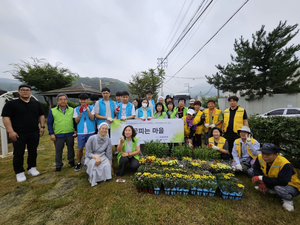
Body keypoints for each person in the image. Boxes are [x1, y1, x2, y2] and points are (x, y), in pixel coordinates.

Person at [1, 84, 45, 182]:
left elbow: (41, 115)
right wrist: (10, 131)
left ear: (30, 92)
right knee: (18, 153)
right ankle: (19, 172)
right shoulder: (11, 104)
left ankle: (31, 167)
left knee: (33, 151)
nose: (25, 91)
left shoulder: (36, 103)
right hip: (18, 133)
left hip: (34, 132)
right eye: (23, 90)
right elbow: (5, 117)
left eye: (27, 90)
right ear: (19, 91)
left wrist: (42, 126)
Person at [250, 143, 300, 212]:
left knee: (278, 188)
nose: (264, 156)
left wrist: (261, 178)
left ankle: (288, 200)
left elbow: (283, 181)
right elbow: (256, 168)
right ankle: (270, 189)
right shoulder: (260, 157)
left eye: (268, 154)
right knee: (251, 171)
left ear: (276, 155)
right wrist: (261, 182)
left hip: (291, 185)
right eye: (263, 153)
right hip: (272, 179)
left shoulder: (285, 164)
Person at [47, 93, 76, 173]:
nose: (63, 101)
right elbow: (49, 123)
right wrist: (51, 133)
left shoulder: (72, 110)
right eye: (61, 99)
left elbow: (74, 122)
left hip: (70, 133)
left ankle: (71, 162)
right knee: (58, 150)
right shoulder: (53, 111)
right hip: (58, 134)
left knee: (71, 149)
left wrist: (75, 130)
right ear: (57, 101)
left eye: (65, 99)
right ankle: (58, 166)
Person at [84, 122, 113, 187]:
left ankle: (103, 178)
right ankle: (93, 178)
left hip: (102, 155)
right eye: (103, 128)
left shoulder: (108, 139)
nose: (104, 130)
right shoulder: (91, 138)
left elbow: (109, 152)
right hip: (91, 156)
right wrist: (96, 157)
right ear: (99, 129)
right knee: (95, 164)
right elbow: (88, 152)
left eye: (106, 129)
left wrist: (111, 166)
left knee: (106, 165)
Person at [73, 93, 95, 171]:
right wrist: (80, 113)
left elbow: (92, 118)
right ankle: (79, 162)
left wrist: (88, 109)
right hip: (81, 131)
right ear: (79, 100)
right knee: (80, 148)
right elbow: (76, 120)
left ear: (87, 100)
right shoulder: (76, 109)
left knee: (91, 148)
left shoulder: (92, 107)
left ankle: (91, 161)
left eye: (85, 100)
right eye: (82, 100)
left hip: (91, 130)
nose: (83, 101)